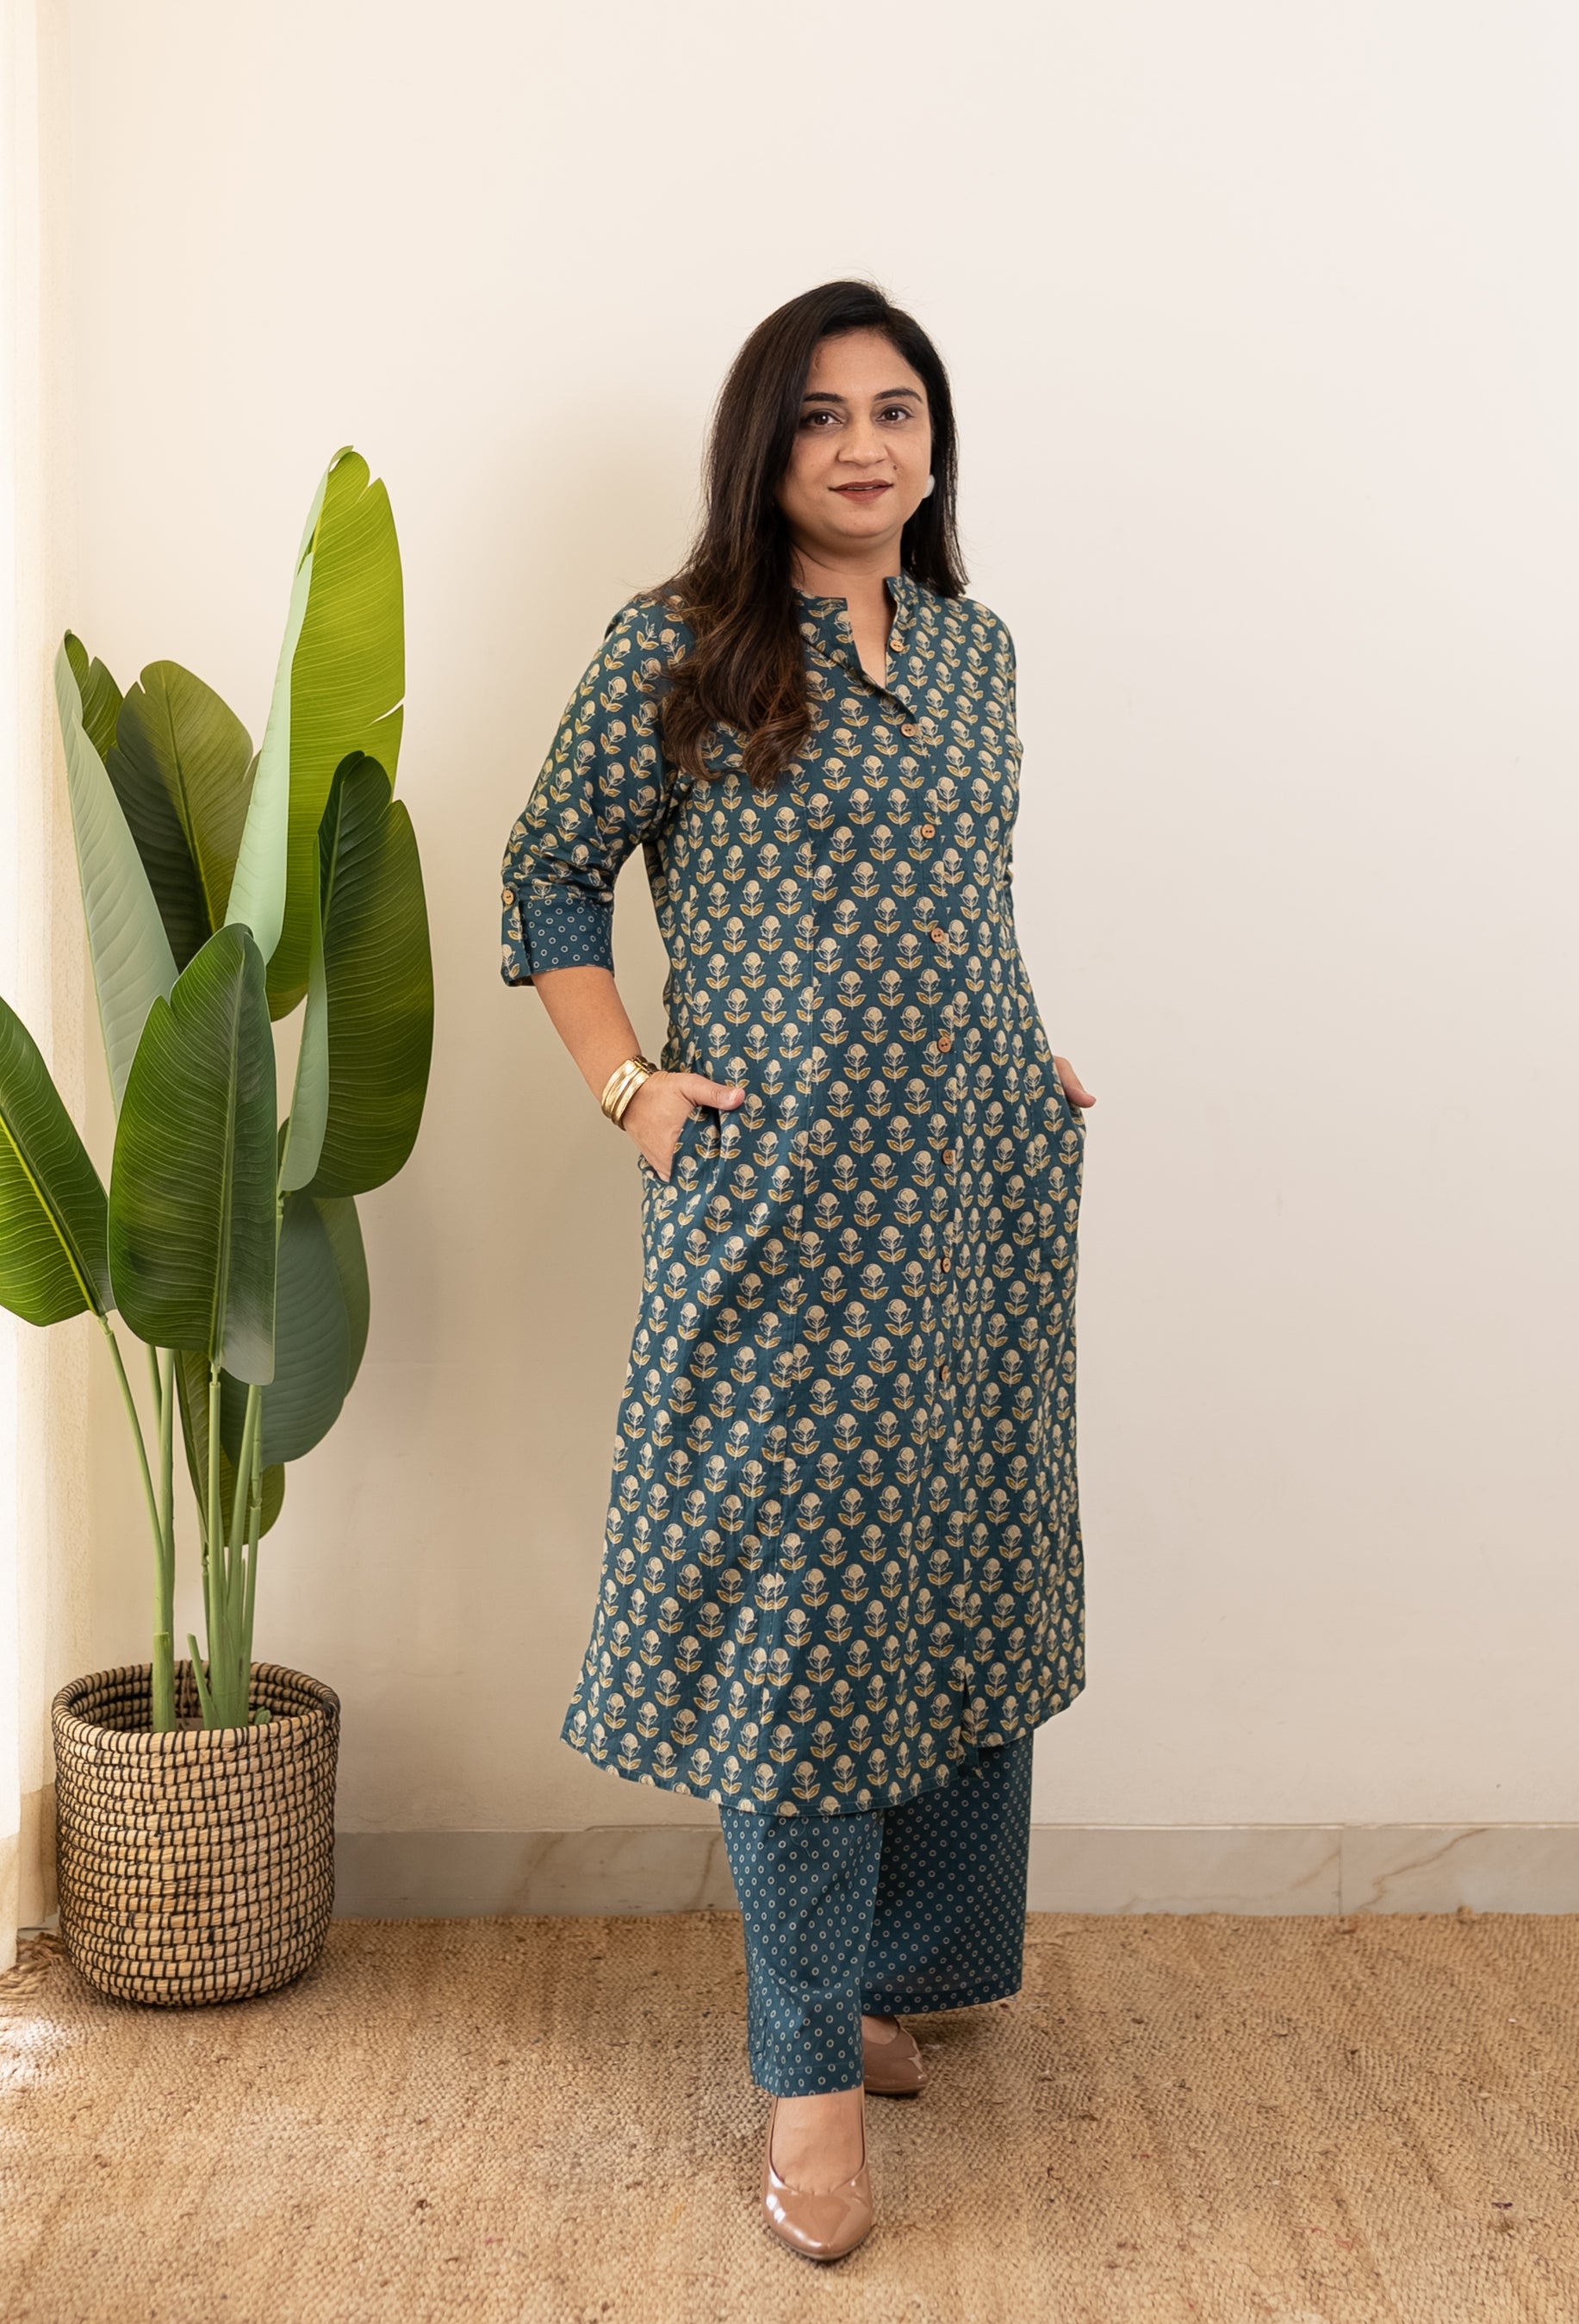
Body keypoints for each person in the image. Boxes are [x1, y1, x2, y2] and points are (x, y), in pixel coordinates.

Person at [500, 279, 1092, 2263]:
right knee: (800, 1629)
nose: (861, 444)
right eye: (821, 414)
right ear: (763, 449)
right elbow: (548, 874)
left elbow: (965, 898)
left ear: (933, 445)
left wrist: (1020, 1044)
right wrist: (628, 1087)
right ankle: (805, 2074)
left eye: (894, 410)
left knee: (953, 1571)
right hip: (777, 1213)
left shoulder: (976, 652)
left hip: (971, 1191)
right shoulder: (677, 647)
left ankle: (875, 1977)